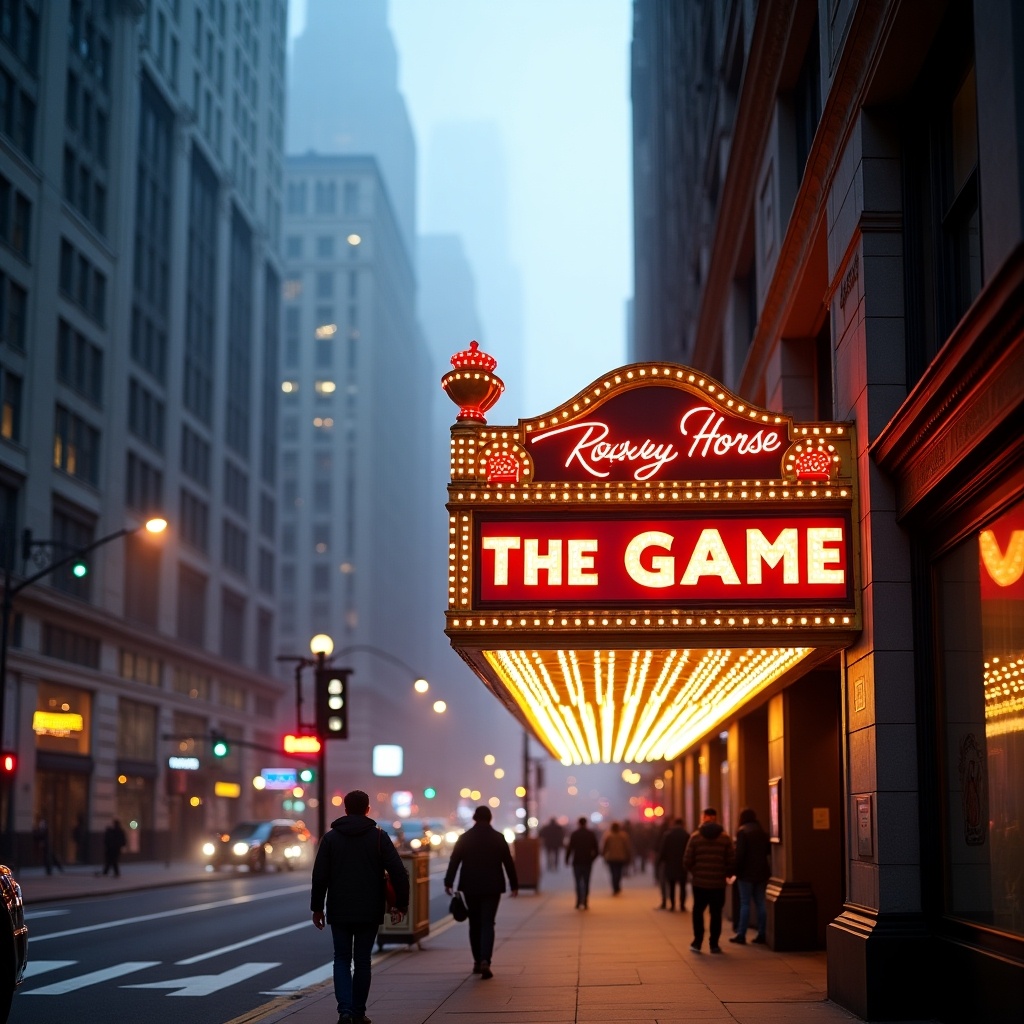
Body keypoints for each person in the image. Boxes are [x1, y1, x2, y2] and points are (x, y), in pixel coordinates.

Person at [310, 789, 410, 1024]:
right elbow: (398, 872)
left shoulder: (331, 838)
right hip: (369, 908)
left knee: (342, 958)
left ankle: (344, 1011)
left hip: (340, 907)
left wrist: (317, 908)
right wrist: (401, 905)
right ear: (367, 810)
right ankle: (358, 1013)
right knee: (363, 960)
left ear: (345, 810)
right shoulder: (378, 837)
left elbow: (320, 876)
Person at [444, 805, 518, 979]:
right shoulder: (499, 838)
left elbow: (454, 861)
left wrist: (448, 882)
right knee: (488, 923)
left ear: (474, 819)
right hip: (492, 887)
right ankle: (486, 960)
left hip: (470, 886)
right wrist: (514, 884)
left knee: (474, 923)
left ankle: (477, 961)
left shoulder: (464, 838)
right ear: (490, 818)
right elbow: (508, 862)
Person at [683, 807, 735, 954]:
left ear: (703, 817)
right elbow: (731, 860)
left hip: (699, 883)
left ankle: (697, 942)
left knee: (698, 911)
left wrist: (695, 872)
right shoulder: (725, 838)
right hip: (718, 883)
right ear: (716, 818)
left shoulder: (695, 837)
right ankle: (714, 944)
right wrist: (726, 873)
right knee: (716, 913)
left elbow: (687, 860)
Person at [730, 807, 771, 944]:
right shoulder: (761, 832)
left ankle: (741, 934)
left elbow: (740, 855)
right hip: (761, 873)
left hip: (746, 874)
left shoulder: (742, 832)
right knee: (761, 903)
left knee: (745, 903)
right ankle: (762, 933)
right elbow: (767, 851)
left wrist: (733, 871)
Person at [565, 815, 599, 909]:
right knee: (586, 881)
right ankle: (585, 900)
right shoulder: (591, 834)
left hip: (577, 861)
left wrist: (567, 859)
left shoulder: (575, 834)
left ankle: (578, 900)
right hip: (587, 861)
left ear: (579, 823)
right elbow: (596, 850)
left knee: (578, 882)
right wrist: (592, 859)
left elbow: (570, 848)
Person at [655, 817, 689, 911]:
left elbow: (663, 850)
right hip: (682, 864)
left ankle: (673, 905)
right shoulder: (686, 835)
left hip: (670, 864)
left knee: (672, 885)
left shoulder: (668, 835)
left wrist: (658, 863)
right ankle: (682, 905)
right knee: (683, 886)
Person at [600, 820, 633, 895]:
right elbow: (627, 847)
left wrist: (603, 854)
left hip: (611, 857)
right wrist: (629, 855)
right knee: (619, 872)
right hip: (621, 857)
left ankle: (615, 887)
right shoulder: (624, 836)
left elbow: (604, 847)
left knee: (613, 873)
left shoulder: (608, 835)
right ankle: (617, 886)